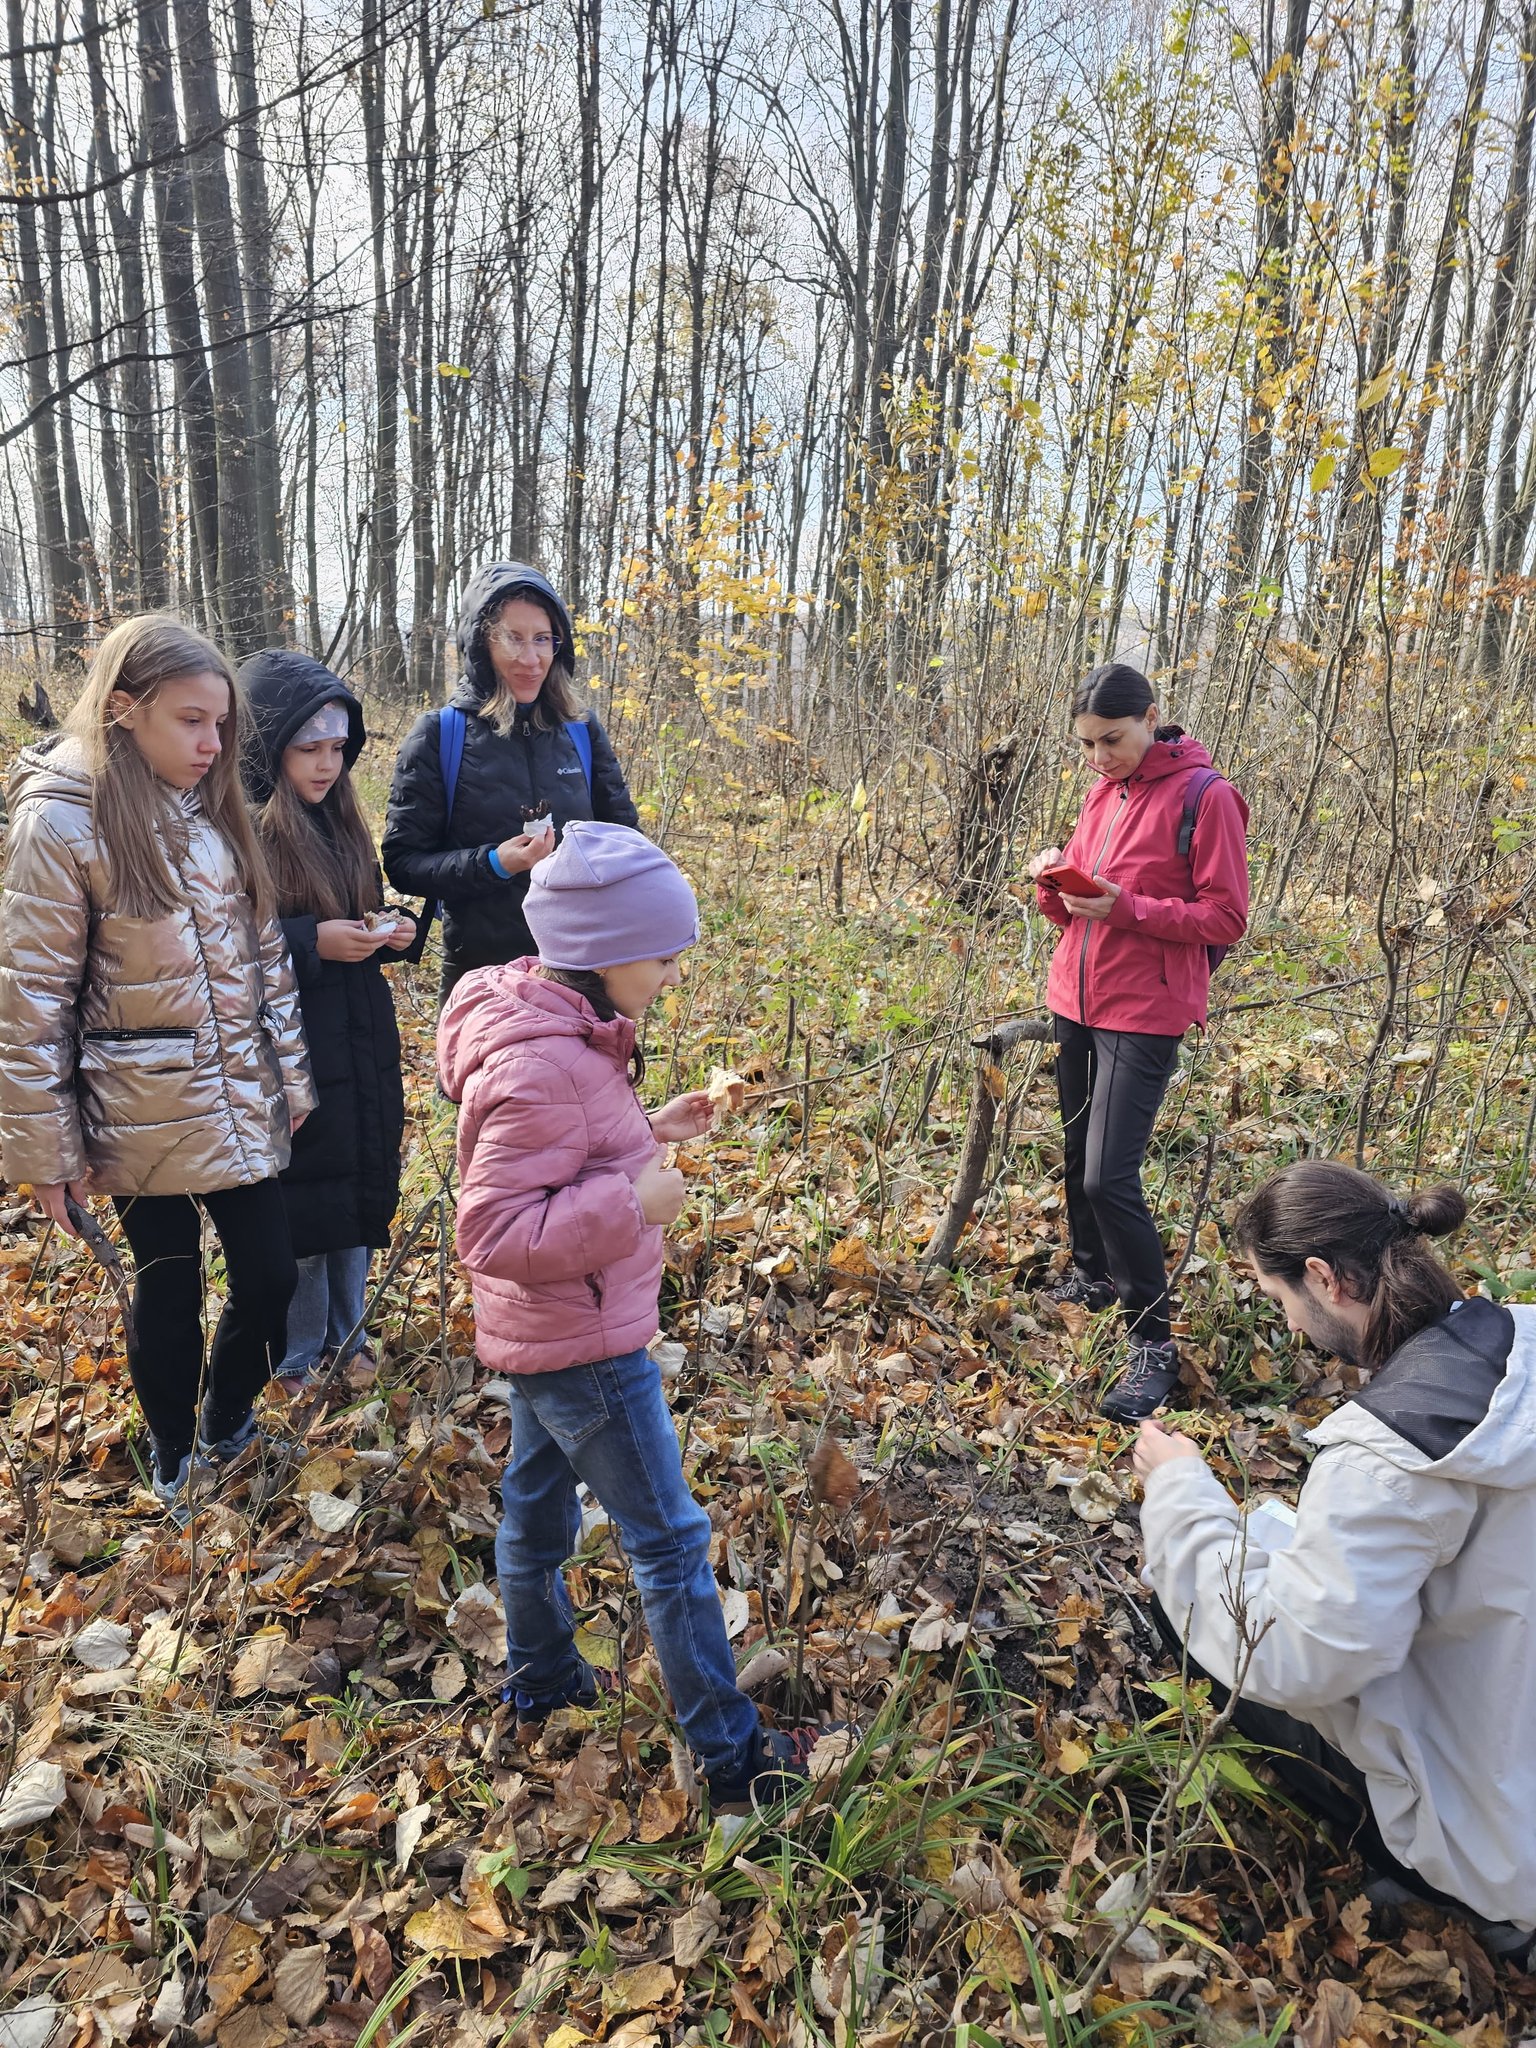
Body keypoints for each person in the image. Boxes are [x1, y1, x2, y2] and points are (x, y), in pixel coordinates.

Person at [437, 821, 815, 1810]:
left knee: (536, 1512)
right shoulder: (543, 1064)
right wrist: (633, 1203)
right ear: (603, 953)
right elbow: (493, 1228)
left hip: (547, 1331)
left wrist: (650, 1129)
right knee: (671, 1542)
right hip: (587, 1344)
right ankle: (735, 1764)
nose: (674, 975)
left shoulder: (557, 1026)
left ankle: (543, 1679)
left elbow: (565, 1149)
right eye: (663, 957)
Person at [1136, 1162, 1536, 1945]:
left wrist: (1181, 1494)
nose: (1288, 1325)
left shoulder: (1387, 1457)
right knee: (1272, 1537)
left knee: (1184, 1604)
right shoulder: (1520, 1344)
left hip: (1500, 1837)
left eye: (1278, 1297)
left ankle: (1459, 1901)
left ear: (1324, 1278)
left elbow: (1295, 1656)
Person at [0, 615, 315, 1516]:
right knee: (168, 1288)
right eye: (191, 721)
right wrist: (47, 1155)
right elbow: (31, 1000)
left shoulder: (211, 807)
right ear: (125, 709)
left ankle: (227, 1420)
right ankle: (175, 1454)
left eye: (221, 724)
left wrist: (291, 1078)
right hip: (132, 1106)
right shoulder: (61, 820)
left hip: (235, 1092)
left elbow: (265, 956)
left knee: (271, 1276)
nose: (214, 745)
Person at [1028, 663, 1249, 1419]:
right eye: (1087, 744)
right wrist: (1056, 887)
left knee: (1108, 1178)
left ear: (1152, 718)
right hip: (1075, 997)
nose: (1100, 757)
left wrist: (1125, 908)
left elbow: (1225, 917)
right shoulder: (1104, 790)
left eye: (1112, 740)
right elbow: (1078, 908)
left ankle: (1153, 1342)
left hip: (1145, 1008)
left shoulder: (1207, 797)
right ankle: (1093, 1275)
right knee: (1076, 1148)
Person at [239, 650, 415, 1394]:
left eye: (338, 748)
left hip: (358, 1038)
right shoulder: (245, 831)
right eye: (308, 748)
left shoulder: (341, 819)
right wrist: (313, 942)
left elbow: (360, 907)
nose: (326, 764)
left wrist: (392, 928)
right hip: (292, 1046)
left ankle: (349, 1332)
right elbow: (225, 948)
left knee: (356, 1192)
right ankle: (296, 1352)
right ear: (267, 750)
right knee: (305, 1206)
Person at [382, 562, 639, 1002]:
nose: (531, 659)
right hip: (483, 978)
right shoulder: (440, 735)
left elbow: (626, 842)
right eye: (513, 638)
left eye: (542, 639)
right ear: (481, 643)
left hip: (581, 970)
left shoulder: (580, 730)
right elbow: (405, 864)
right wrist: (495, 864)